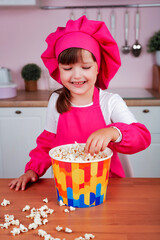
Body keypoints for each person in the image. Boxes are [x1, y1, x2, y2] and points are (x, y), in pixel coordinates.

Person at [9, 16, 151, 191]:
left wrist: (113, 131)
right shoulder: (55, 101)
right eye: (68, 69)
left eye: (85, 67)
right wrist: (32, 170)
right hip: (68, 185)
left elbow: (142, 137)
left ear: (98, 68)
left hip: (107, 186)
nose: (76, 76)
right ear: (58, 69)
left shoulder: (110, 102)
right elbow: (47, 143)